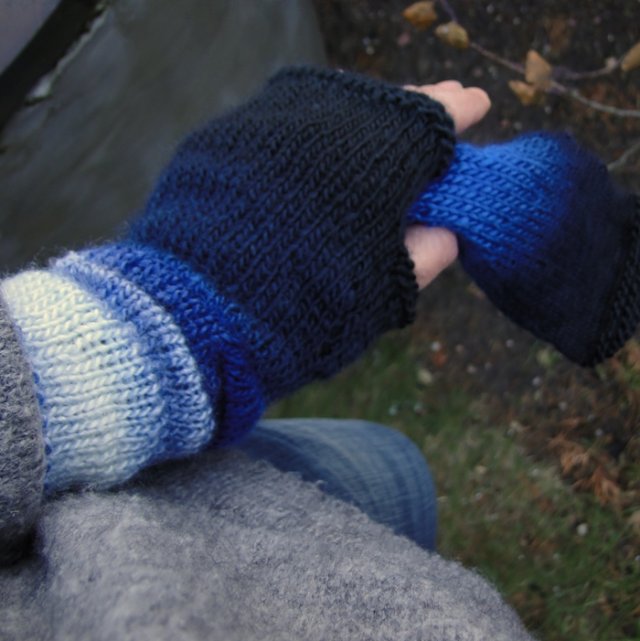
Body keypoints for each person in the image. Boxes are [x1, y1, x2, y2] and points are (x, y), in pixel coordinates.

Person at [0, 65, 637, 640]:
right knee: (392, 488)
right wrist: (174, 329)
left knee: (397, 473)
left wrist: (129, 325)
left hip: (119, 529)